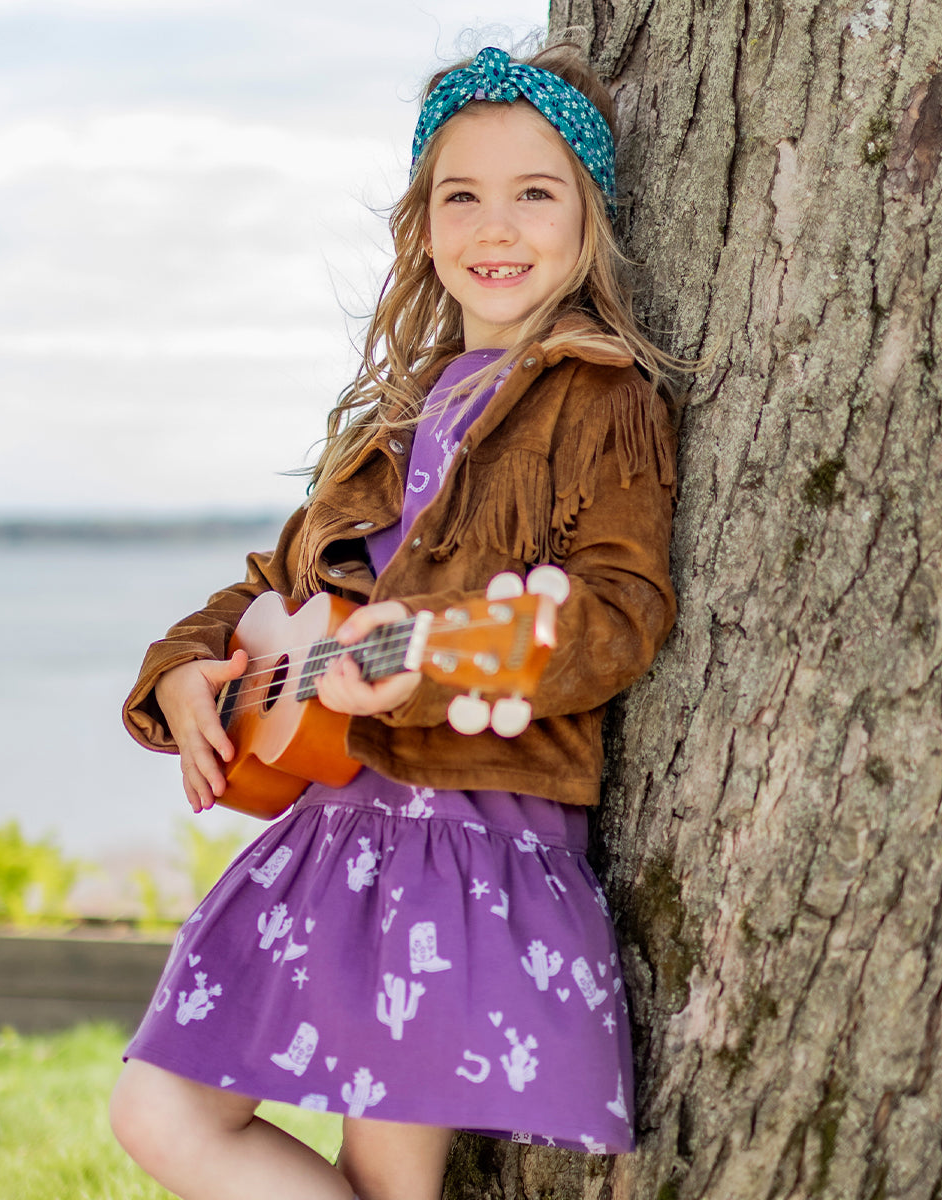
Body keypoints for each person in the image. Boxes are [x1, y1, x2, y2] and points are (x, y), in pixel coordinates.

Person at [109, 37, 680, 1200]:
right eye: (460, 196)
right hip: (334, 836)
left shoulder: (602, 399)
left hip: (462, 851)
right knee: (157, 1114)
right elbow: (272, 591)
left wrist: (426, 656)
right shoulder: (394, 420)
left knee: (390, 1178)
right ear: (423, 225)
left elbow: (618, 613)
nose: (495, 227)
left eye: (535, 194)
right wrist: (180, 670)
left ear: (592, 218)